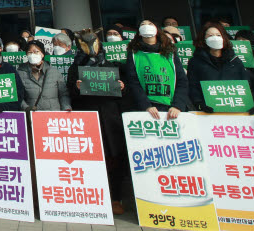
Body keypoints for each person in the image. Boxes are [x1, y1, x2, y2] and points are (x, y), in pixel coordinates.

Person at [67, 29, 127, 214]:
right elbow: (70, 93)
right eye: (86, 43)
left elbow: (123, 94)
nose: (91, 47)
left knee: (114, 158)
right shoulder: (75, 67)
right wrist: (77, 88)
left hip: (110, 118)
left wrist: (122, 87)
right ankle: (93, 194)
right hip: (87, 117)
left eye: (93, 42)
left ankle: (116, 197)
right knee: (92, 158)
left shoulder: (111, 65)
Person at [123, 19, 189, 119]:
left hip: (171, 108)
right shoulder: (134, 54)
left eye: (150, 24)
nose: (146, 26)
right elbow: (133, 82)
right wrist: (146, 105)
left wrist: (177, 105)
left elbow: (181, 81)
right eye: (143, 24)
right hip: (147, 110)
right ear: (139, 33)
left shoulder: (170, 53)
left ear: (157, 30)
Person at [187, 23, 254, 112]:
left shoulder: (235, 60)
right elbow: (193, 86)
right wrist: (200, 104)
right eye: (210, 35)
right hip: (208, 112)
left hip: (236, 109)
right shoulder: (195, 62)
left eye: (218, 35)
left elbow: (247, 85)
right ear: (203, 39)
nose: (215, 38)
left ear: (223, 38)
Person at [17, 40, 71, 112]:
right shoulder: (20, 73)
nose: (33, 54)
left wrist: (66, 107)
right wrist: (26, 108)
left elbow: (63, 93)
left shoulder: (53, 71)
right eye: (30, 52)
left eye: (36, 52)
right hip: (32, 115)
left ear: (42, 54)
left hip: (53, 115)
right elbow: (17, 96)